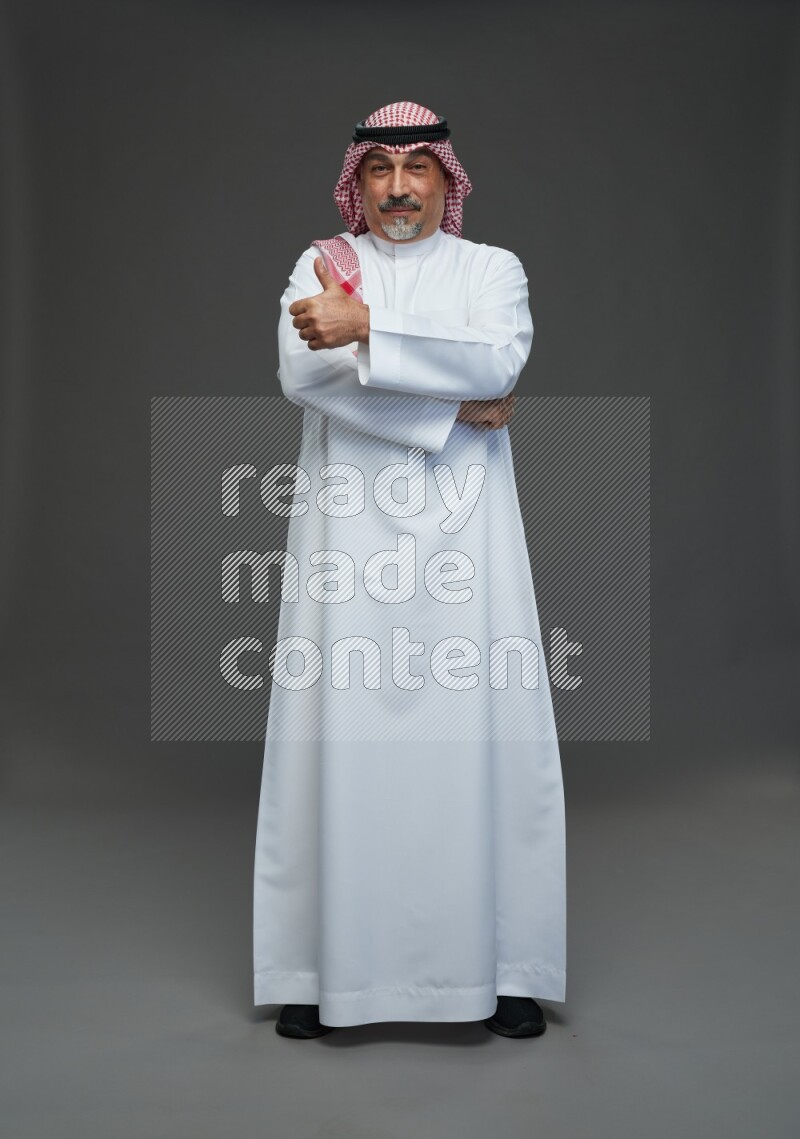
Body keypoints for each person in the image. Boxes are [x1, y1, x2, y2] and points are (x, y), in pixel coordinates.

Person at [253, 101, 566, 1040]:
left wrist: (367, 334)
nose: (397, 187)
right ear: (360, 180)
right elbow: (304, 378)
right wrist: (451, 409)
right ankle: (318, 971)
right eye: (381, 167)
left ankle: (505, 968)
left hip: (470, 548)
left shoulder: (490, 269)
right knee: (334, 734)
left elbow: (498, 358)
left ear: (446, 180)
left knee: (486, 735)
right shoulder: (322, 266)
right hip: (346, 546)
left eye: (418, 167)